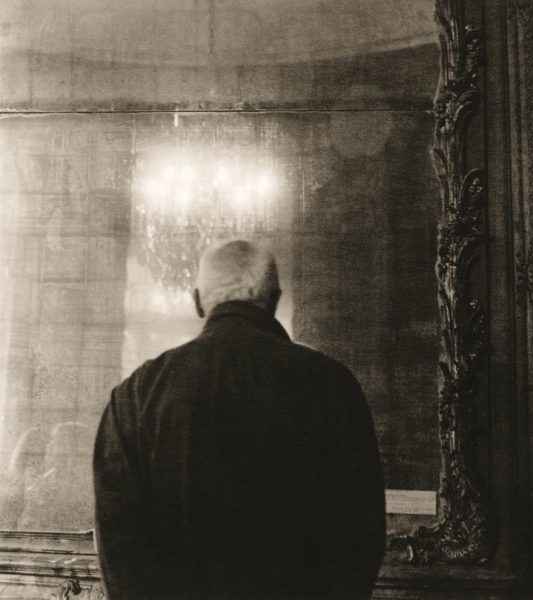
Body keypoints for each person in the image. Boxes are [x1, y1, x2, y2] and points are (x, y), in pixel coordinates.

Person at [93, 239, 385, 600]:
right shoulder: (332, 385)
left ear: (197, 301)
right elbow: (359, 534)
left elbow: (120, 543)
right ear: (274, 300)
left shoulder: (138, 393)